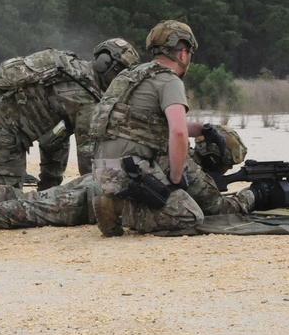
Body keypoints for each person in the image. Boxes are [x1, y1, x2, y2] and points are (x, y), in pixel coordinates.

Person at [0, 124, 257, 236]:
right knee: (35, 212)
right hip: (102, 196)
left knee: (33, 199)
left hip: (97, 177)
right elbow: (216, 207)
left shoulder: (168, 148)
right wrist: (253, 196)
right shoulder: (192, 169)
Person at [0, 39, 140, 196]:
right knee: (5, 199)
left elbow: (57, 137)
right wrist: (99, 194)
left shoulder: (72, 69)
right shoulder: (86, 98)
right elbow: (89, 160)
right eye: (120, 73)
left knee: (13, 195)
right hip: (0, 132)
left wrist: (49, 186)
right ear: (106, 65)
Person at [84, 20, 206, 236]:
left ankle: (114, 202)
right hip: (130, 173)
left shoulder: (129, 76)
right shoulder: (169, 80)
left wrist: (202, 129)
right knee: (190, 216)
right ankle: (118, 208)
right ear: (183, 53)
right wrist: (176, 180)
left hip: (102, 170)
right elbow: (178, 132)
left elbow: (143, 125)